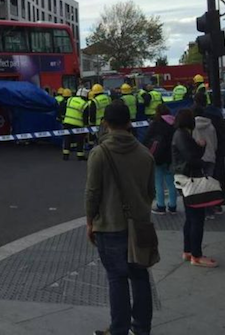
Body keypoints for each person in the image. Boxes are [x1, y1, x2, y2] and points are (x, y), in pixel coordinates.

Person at [86, 102, 155, 335]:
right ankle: (142, 328)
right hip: (140, 225)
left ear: (105, 123)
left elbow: (92, 193)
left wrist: (90, 221)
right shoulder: (145, 153)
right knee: (140, 276)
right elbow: (150, 192)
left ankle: (119, 329)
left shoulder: (99, 153)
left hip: (110, 225)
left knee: (117, 279)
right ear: (129, 123)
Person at [172, 109, 217, 268]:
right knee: (197, 218)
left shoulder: (179, 134)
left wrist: (199, 147)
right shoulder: (183, 135)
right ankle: (196, 255)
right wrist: (202, 152)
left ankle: (188, 250)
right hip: (191, 179)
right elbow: (192, 158)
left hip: (183, 179)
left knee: (191, 217)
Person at [143, 104, 176, 214]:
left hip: (157, 156)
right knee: (171, 182)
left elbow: (146, 138)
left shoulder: (155, 124)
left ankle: (160, 206)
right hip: (170, 157)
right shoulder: (174, 124)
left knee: (158, 182)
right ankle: (172, 206)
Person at [62, 88, 89, 161]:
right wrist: (86, 127)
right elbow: (85, 117)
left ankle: (65, 155)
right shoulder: (84, 104)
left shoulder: (70, 100)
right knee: (79, 141)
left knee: (67, 139)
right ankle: (80, 156)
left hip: (67, 122)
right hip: (78, 124)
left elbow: (64, 110)